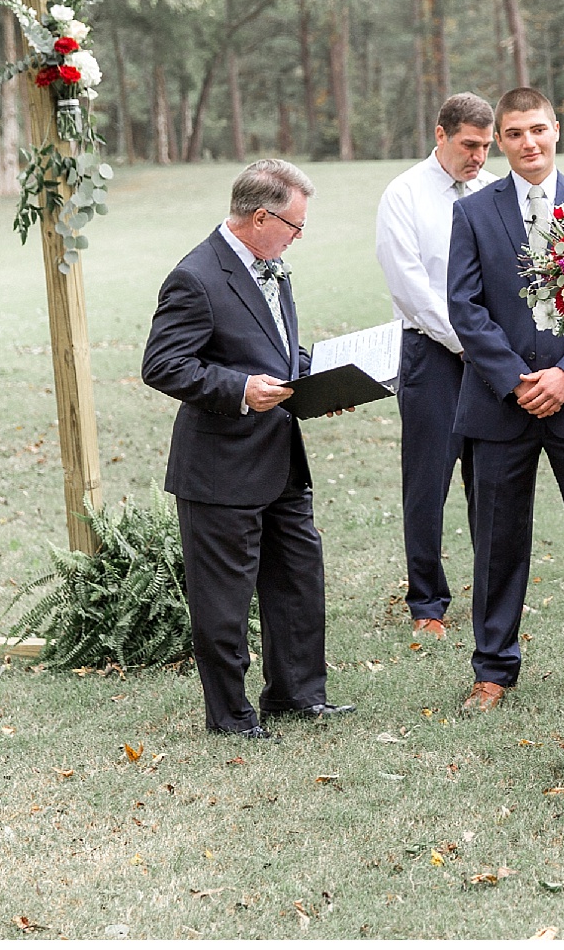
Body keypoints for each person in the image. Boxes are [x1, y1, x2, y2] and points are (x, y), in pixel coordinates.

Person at [141, 160, 353, 739]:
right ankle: (231, 715)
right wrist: (238, 390)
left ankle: (297, 694)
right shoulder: (196, 276)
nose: (297, 238)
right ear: (260, 216)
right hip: (221, 467)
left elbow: (276, 350)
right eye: (294, 226)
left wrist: (323, 382)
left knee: (298, 579)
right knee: (225, 600)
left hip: (282, 456)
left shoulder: (271, 265)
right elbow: (162, 365)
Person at [445, 87, 564, 714]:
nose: (529, 143)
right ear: (501, 140)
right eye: (515, 133)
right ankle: (493, 670)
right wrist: (520, 379)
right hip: (502, 404)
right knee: (497, 540)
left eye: (539, 130)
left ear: (558, 130)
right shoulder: (473, 214)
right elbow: (464, 309)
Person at [375, 94, 498, 640]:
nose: (478, 156)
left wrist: (491, 349)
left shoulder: (493, 190)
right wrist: (465, 344)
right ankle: (427, 602)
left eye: (485, 146)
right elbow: (410, 286)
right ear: (441, 134)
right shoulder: (404, 194)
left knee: (491, 478)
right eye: (469, 145)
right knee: (427, 481)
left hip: (489, 355)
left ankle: (494, 592)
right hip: (431, 352)